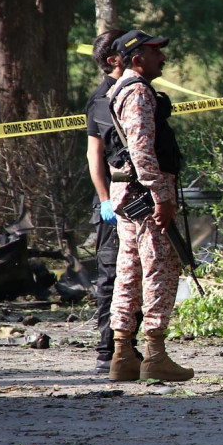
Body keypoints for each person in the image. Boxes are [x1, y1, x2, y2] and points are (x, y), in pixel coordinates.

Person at [106, 29, 194, 382]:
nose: (163, 57)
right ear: (137, 57)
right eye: (156, 51)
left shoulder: (118, 90)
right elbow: (142, 149)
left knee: (129, 273)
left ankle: (122, 353)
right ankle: (155, 354)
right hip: (146, 196)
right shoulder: (139, 92)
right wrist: (161, 195)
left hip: (127, 196)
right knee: (158, 269)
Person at [84, 28, 140, 374]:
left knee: (135, 274)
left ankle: (129, 348)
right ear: (113, 60)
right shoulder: (101, 99)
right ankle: (108, 351)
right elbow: (95, 155)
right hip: (113, 202)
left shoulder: (134, 90)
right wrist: (105, 201)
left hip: (135, 197)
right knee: (111, 275)